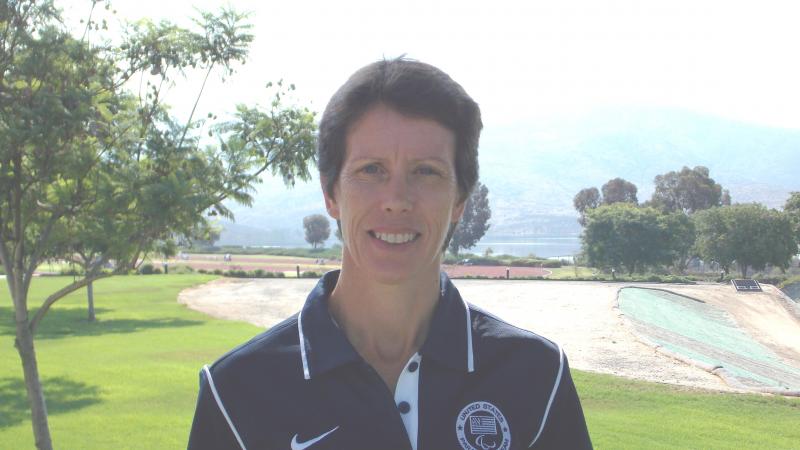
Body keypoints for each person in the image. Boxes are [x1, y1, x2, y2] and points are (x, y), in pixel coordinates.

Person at [188, 58, 592, 450]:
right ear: (331, 194)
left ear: (460, 200)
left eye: (426, 171)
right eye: (371, 170)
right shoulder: (237, 394)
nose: (397, 200)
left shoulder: (536, 376)